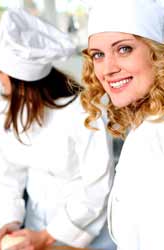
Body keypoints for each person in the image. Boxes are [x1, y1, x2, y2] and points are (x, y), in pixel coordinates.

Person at [0, 8, 115, 250]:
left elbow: (96, 186)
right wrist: (8, 221)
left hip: (88, 230)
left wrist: (50, 234)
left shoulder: (84, 110)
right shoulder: (5, 107)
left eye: (0, 70)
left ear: (21, 81)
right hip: (36, 226)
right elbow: (4, 173)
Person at [81, 0, 164, 249]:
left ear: (157, 54)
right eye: (98, 55)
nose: (108, 69)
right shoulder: (146, 126)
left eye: (124, 49)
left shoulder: (154, 137)